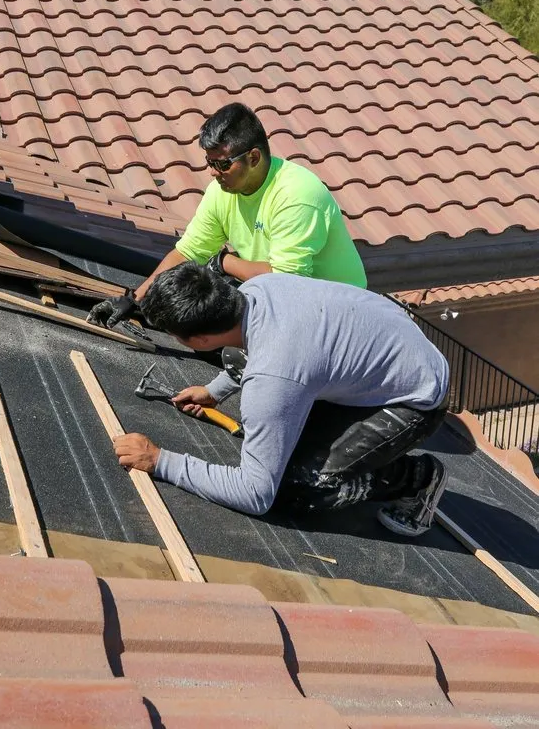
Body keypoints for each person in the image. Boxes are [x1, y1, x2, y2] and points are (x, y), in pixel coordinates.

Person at [113, 263, 451, 538]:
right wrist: (215, 390)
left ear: (199, 338)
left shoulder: (272, 377)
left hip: (416, 398)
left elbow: (254, 494)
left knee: (299, 487)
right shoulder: (256, 290)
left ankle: (415, 477)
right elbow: (262, 348)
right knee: (238, 359)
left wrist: (160, 461)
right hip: (389, 349)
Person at [89, 102, 366, 330]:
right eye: (209, 163)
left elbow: (287, 282)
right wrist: (134, 300)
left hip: (336, 317)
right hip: (277, 298)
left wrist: (225, 262)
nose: (212, 172)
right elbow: (188, 252)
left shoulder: (298, 196)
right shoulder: (221, 192)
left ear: (254, 158)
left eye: (222, 164)